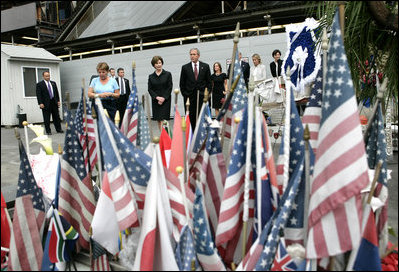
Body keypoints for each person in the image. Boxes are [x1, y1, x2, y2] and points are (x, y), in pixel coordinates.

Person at [179, 48, 211, 132]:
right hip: (190, 97)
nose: (192, 56)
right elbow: (182, 83)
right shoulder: (185, 67)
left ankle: (202, 133)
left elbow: (209, 82)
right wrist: (185, 94)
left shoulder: (205, 66)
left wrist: (207, 94)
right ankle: (192, 134)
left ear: (198, 55)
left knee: (202, 116)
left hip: (202, 97)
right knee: (191, 116)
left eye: (194, 54)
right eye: (191, 54)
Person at [148, 56, 173, 131]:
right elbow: (150, 89)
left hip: (166, 100)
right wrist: (157, 97)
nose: (158, 64)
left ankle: (166, 137)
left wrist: (163, 98)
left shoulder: (167, 74)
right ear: (154, 65)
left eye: (160, 63)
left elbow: (169, 87)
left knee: (164, 120)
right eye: (156, 63)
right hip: (156, 101)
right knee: (159, 120)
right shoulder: (151, 76)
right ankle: (162, 136)